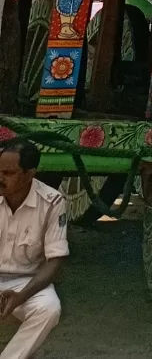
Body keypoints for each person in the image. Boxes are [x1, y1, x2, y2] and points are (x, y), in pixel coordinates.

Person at [0, 141, 66, 358]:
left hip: (27, 281)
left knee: (49, 309)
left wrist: (21, 296)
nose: (0, 178)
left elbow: (54, 261)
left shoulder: (52, 202)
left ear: (29, 174)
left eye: (8, 173)